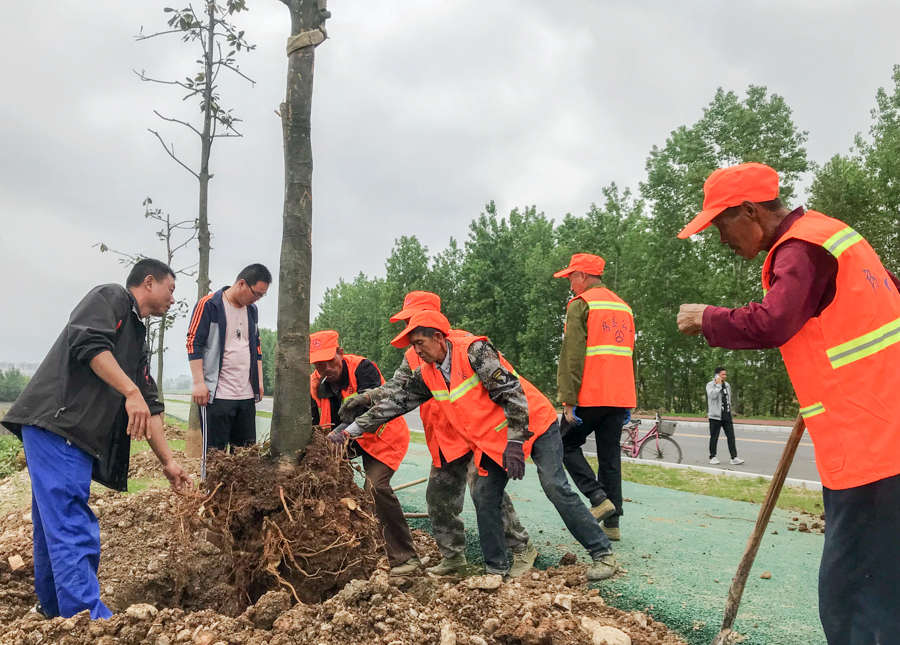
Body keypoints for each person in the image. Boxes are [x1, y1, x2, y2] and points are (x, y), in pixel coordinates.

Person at [675, 162, 900, 644]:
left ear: (751, 211)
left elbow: (775, 321)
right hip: (883, 432)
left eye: (720, 224)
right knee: (883, 585)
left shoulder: (799, 249)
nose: (720, 239)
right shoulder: (838, 236)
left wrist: (709, 319)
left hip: (868, 446)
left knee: (850, 594)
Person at [343, 310, 618, 580]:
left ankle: (602, 553)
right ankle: (495, 569)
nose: (416, 351)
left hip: (534, 423)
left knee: (554, 486)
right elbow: (398, 400)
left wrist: (515, 441)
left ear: (438, 337)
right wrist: (352, 429)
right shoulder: (428, 371)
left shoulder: (474, 351)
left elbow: (512, 392)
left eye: (419, 344)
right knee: (484, 493)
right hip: (493, 438)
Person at [1, 259, 192, 620]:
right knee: (71, 520)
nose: (172, 298)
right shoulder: (112, 297)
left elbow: (148, 404)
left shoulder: (138, 336)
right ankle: (90, 619)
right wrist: (129, 390)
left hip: (63, 433)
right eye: (171, 288)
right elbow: (86, 341)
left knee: (51, 525)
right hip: (61, 427)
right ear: (149, 283)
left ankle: (56, 611)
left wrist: (168, 462)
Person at [340, 291, 537, 577]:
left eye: (410, 321)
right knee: (439, 498)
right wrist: (369, 398)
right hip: (442, 436)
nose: (407, 328)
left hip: (471, 434)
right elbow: (399, 390)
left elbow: (503, 389)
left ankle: (520, 546)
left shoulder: (460, 346)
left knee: (485, 494)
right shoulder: (414, 353)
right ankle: (453, 558)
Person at [311, 331, 420, 576]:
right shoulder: (315, 384)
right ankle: (343, 547)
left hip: (381, 435)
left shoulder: (363, 368)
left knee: (375, 488)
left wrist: (340, 434)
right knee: (318, 479)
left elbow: (367, 412)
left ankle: (405, 558)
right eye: (319, 364)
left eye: (331, 360)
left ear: (340, 352)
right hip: (342, 441)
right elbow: (314, 422)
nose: (327, 368)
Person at [554, 253, 636, 542]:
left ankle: (597, 497)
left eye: (571, 277)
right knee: (610, 456)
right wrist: (628, 401)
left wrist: (568, 398)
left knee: (563, 443)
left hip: (590, 393)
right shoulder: (623, 307)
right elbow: (625, 356)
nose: (570, 283)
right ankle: (612, 524)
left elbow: (572, 356)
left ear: (584, 276)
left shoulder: (581, 304)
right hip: (618, 395)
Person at [186, 264, 271, 470]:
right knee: (215, 457)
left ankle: (241, 501)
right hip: (217, 394)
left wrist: (258, 380)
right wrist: (199, 383)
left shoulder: (252, 310)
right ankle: (211, 498)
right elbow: (193, 342)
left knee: (246, 457)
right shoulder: (209, 304)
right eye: (256, 294)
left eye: (261, 296)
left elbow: (256, 346)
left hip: (245, 394)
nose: (256, 299)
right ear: (241, 283)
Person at [706, 367, 744, 466]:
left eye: (725, 374)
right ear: (717, 375)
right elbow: (712, 396)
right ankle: (713, 456)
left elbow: (728, 399)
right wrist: (718, 385)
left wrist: (729, 411)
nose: (725, 376)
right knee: (714, 437)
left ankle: (734, 457)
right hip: (715, 416)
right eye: (723, 374)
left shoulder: (727, 385)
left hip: (726, 415)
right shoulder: (710, 385)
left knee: (731, 436)